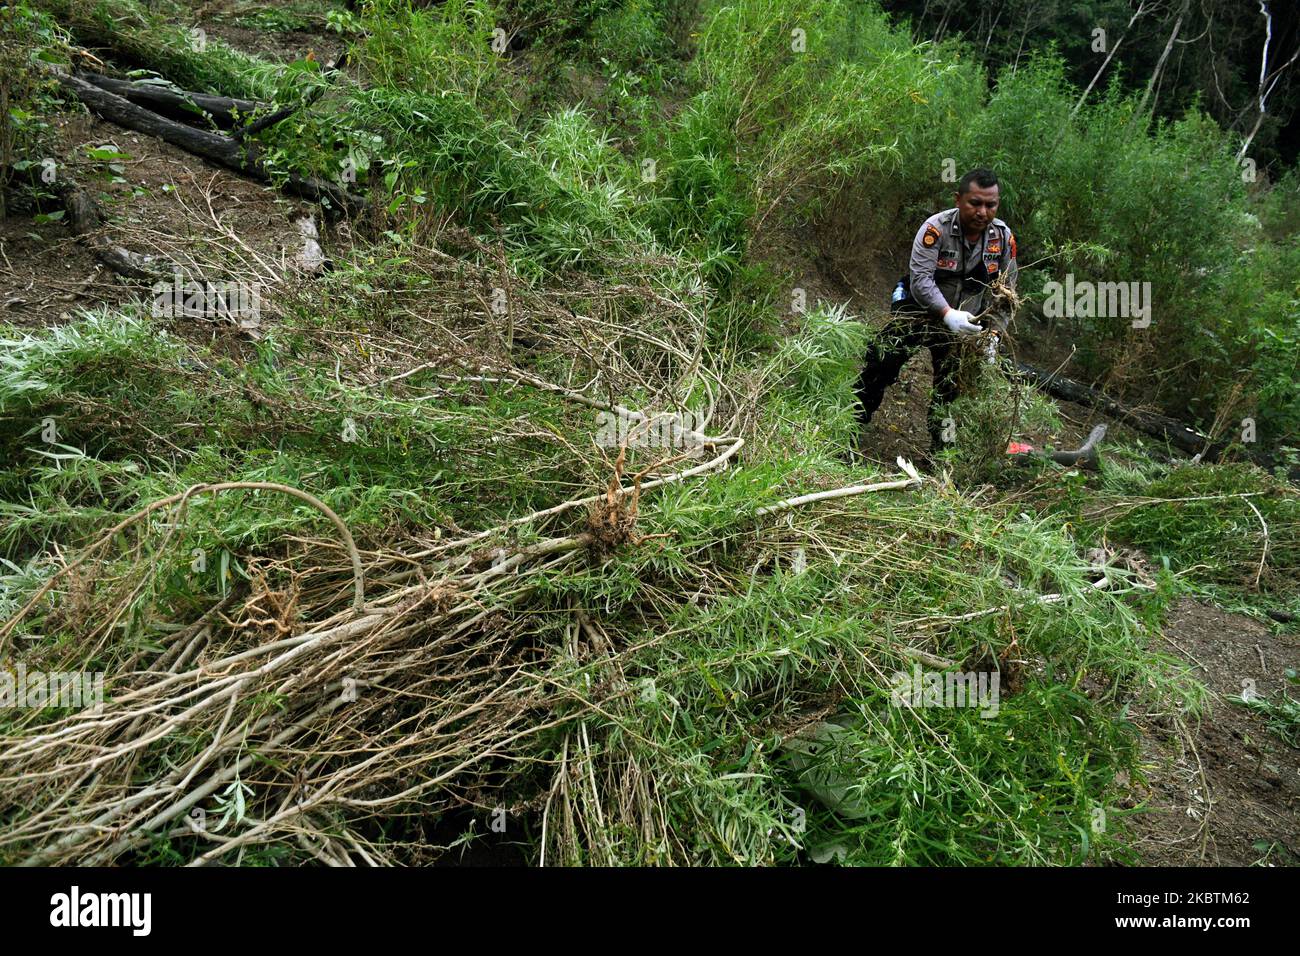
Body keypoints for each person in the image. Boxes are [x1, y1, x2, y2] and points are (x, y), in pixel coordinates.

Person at [857, 168, 1018, 457]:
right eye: (975, 203)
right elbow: (920, 280)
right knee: (881, 361)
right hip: (918, 311)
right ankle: (849, 429)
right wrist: (946, 313)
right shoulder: (935, 228)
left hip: (965, 324)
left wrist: (994, 333)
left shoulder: (1003, 238)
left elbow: (1006, 294)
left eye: (990, 205)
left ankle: (941, 456)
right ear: (958, 199)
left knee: (951, 389)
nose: (982, 212)